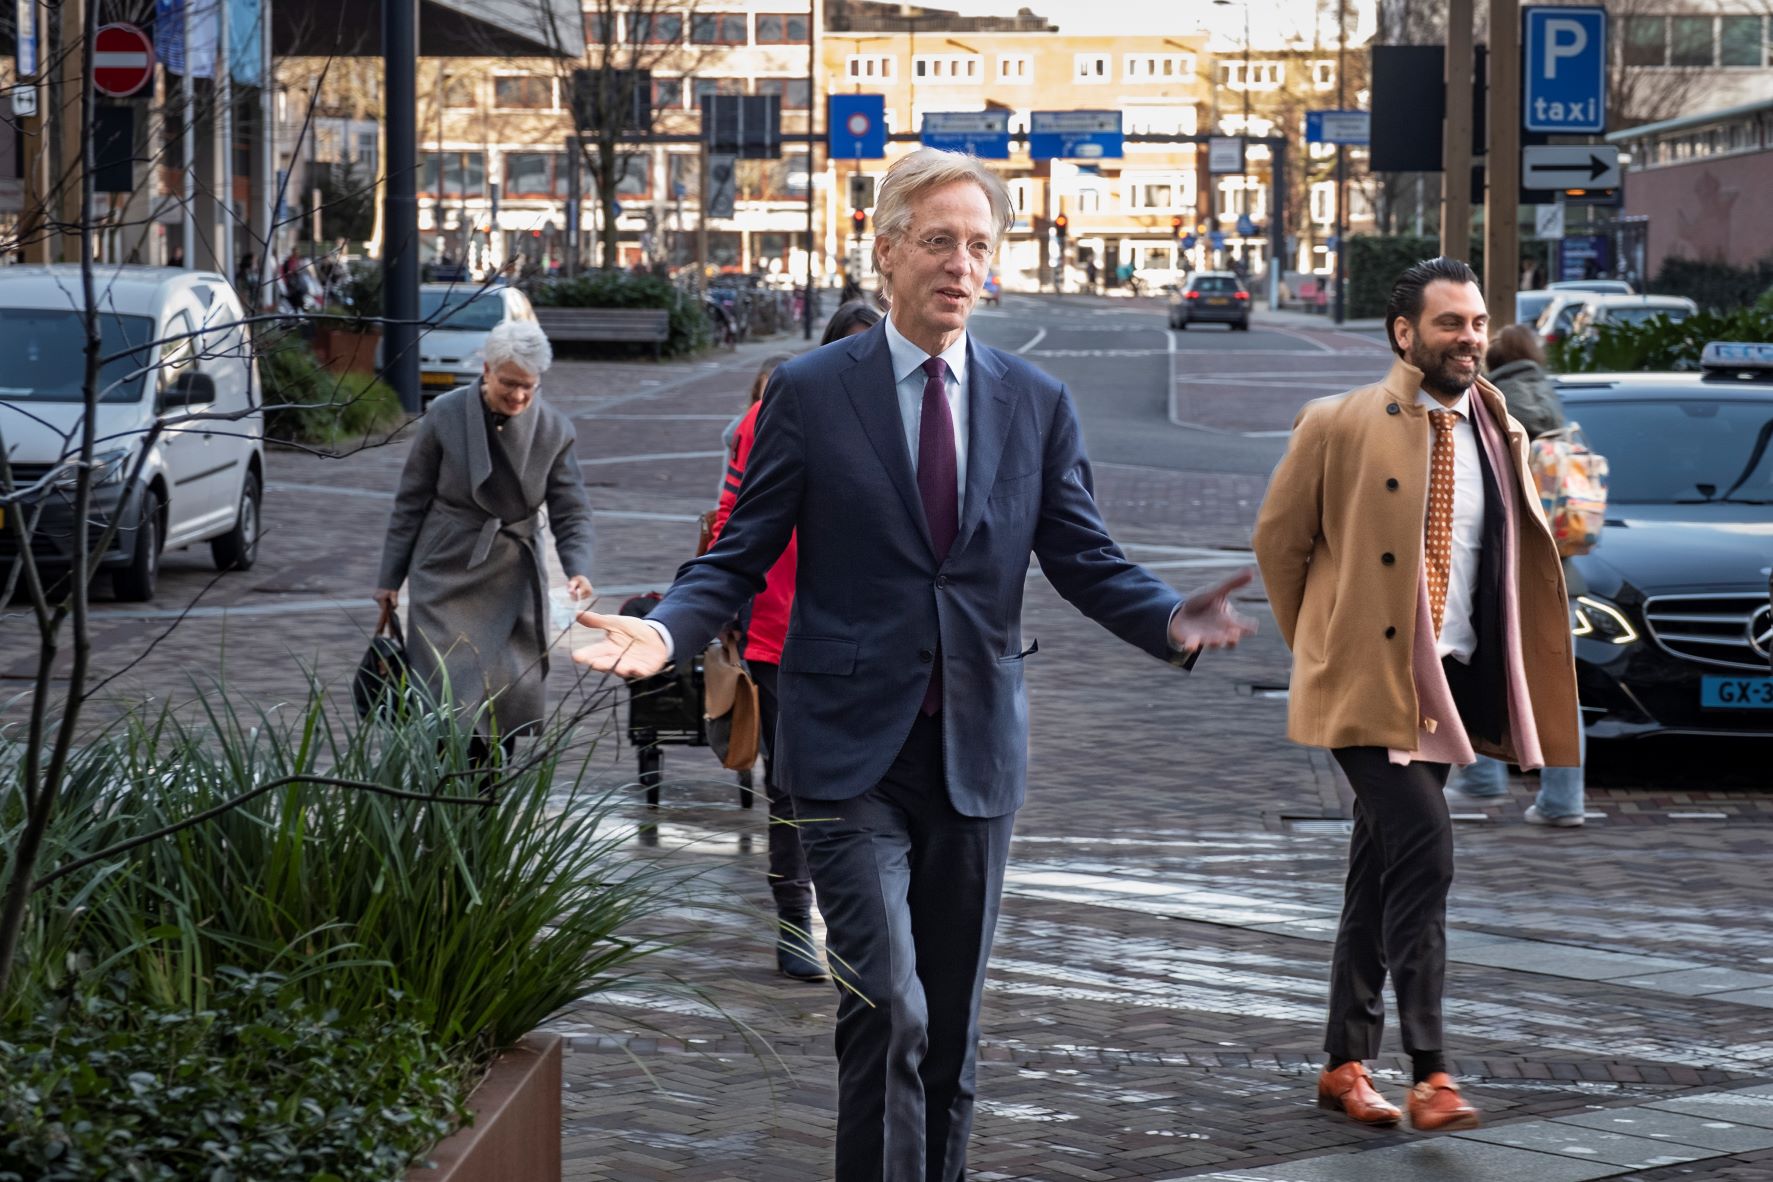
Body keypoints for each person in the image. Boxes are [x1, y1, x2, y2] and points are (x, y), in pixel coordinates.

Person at [573, 147, 1255, 1182]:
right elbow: (738, 552)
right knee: (886, 1003)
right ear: (887, 251)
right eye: (938, 241)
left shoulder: (1035, 401)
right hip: (844, 755)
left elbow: (1083, 555)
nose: (960, 264)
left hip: (974, 755)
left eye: (978, 245)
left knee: (949, 1029)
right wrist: (665, 633)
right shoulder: (810, 392)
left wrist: (1168, 617)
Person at [1252, 257, 1580, 1135]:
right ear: (1404, 333)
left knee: (1379, 867)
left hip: (1452, 682)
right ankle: (1432, 1072)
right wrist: (1323, 644)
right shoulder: (1338, 423)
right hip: (1367, 684)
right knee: (1426, 853)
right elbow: (1279, 544)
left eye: (1475, 323)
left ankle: (1343, 1063)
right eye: (1448, 323)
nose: (1467, 338)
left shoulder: (1498, 427)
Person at [715, 304, 885, 984]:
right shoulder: (774, 415)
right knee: (790, 787)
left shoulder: (909, 419)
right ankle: (794, 922)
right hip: (780, 630)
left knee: (867, 785)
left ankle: (857, 922)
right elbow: (733, 519)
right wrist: (722, 605)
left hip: (874, 637)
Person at [375, 320, 595, 766]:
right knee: (444, 697)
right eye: (509, 383)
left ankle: (487, 795)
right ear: (487, 370)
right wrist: (389, 579)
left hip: (512, 576)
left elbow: (571, 509)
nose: (519, 396)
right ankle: (443, 793)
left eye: (529, 386)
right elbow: (411, 500)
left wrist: (578, 567)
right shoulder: (445, 413)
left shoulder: (554, 430)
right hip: (445, 572)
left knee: (502, 697)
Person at [1444, 324, 1588, 826]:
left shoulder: (1493, 406)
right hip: (1559, 571)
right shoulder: (1554, 404)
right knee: (1558, 687)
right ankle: (1564, 800)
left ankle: (1483, 775)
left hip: (1504, 569)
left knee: (1479, 665)